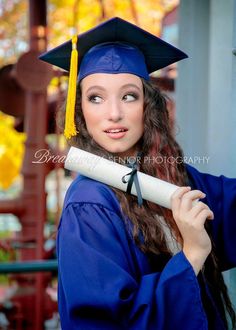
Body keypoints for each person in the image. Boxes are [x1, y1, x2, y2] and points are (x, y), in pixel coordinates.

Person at [40, 17, 236, 329]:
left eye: (128, 95)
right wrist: (193, 255)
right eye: (96, 97)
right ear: (80, 110)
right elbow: (108, 321)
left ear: (148, 105)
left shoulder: (173, 179)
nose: (113, 113)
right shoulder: (89, 203)